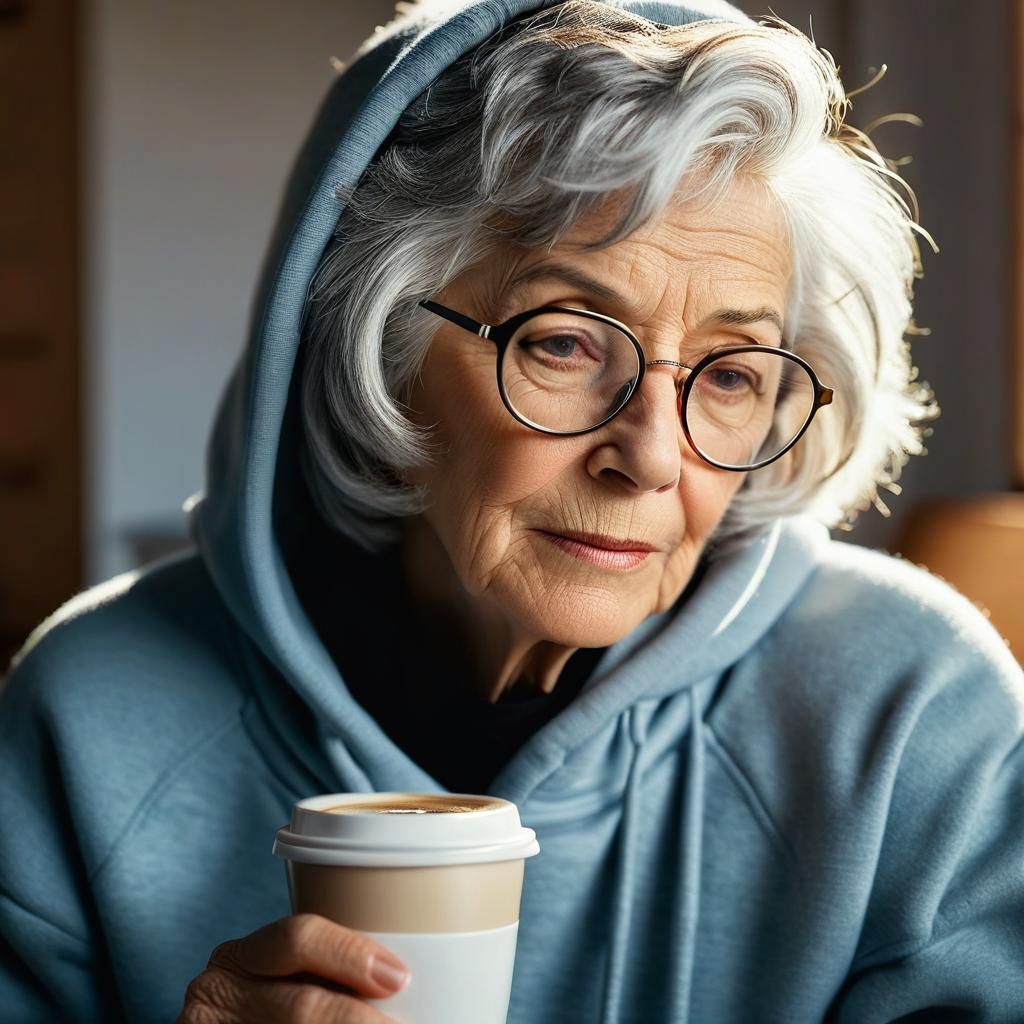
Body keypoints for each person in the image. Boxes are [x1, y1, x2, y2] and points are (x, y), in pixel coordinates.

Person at [2, 0, 1022, 1021]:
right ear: (379, 345)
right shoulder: (87, 718)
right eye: (565, 341)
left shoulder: (915, 720)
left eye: (730, 372)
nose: (652, 457)